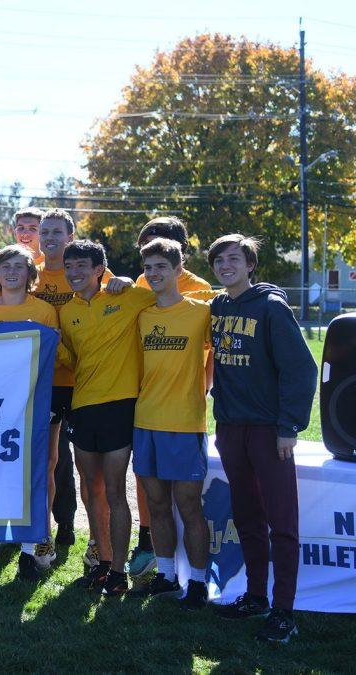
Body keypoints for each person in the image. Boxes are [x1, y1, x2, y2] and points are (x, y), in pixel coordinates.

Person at [206, 234, 316, 643]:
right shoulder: (219, 306)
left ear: (250, 265)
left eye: (233, 259)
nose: (224, 266)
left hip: (270, 431)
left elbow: (301, 370)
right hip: (231, 429)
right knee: (247, 517)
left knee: (281, 522)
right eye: (218, 260)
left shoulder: (271, 307)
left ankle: (284, 611)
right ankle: (255, 596)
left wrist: (289, 427)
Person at [58, 239, 153, 596]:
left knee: (115, 491)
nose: (75, 273)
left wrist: (127, 280)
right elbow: (71, 359)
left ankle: (118, 571)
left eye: (82, 266)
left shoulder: (127, 296)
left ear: (100, 270)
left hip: (119, 406)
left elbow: (165, 294)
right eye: (69, 267)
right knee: (90, 490)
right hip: (82, 407)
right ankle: (101, 563)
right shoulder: (66, 312)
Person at [126, 237, 213, 608]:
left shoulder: (201, 312)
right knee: (157, 505)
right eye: (148, 268)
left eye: (161, 267)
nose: (154, 274)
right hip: (145, 420)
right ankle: (165, 575)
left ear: (179, 271)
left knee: (189, 507)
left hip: (185, 423)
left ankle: (197, 582)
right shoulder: (141, 315)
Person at [32, 209, 114, 556]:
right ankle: (43, 535)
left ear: (70, 236)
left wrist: (119, 282)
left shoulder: (85, 269)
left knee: (86, 468)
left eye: (56, 232)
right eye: (43, 231)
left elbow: (112, 290)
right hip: (46, 381)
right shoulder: (28, 272)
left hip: (84, 382)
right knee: (48, 461)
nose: (49, 237)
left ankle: (97, 542)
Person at [0, 245, 61, 580]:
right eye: (5, 267)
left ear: (30, 273)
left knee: (32, 475)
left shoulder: (43, 310)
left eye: (19, 267)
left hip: (31, 405)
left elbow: (51, 357)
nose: (12, 273)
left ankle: (30, 550)